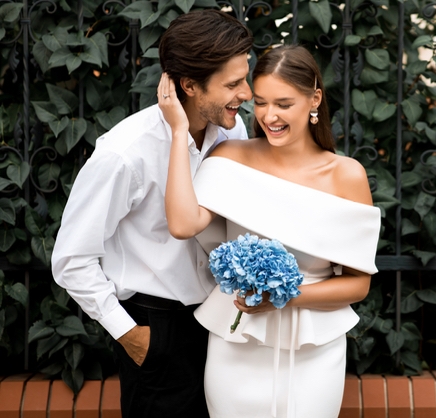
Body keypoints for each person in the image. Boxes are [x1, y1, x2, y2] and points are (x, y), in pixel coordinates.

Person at [50, 10, 253, 418]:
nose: (246, 94)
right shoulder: (125, 152)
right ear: (189, 85)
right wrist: (132, 336)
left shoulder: (233, 131)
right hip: (156, 331)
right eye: (232, 84)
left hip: (221, 323)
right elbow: (71, 260)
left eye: (244, 78)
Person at [160, 45, 381, 418]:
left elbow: (358, 285)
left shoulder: (347, 175)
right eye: (260, 103)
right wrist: (179, 131)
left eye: (283, 103)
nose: (269, 116)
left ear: (315, 99)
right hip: (236, 341)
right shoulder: (230, 157)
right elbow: (182, 224)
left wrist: (284, 297)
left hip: (315, 347)